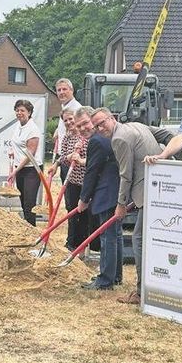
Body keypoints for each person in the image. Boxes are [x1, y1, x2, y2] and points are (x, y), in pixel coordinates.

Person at [91, 107, 173, 305]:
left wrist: (120, 204)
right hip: (164, 186)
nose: (100, 128)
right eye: (96, 126)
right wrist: (170, 160)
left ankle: (142, 291)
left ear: (113, 118)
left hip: (149, 191)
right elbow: (168, 135)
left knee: (138, 239)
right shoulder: (136, 125)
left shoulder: (119, 139)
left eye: (102, 122)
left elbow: (125, 175)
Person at [76, 107, 122, 290]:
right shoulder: (105, 137)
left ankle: (105, 280)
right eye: (79, 126)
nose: (83, 128)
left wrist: (84, 199)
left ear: (93, 122)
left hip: (107, 192)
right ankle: (115, 275)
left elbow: (92, 171)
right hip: (115, 190)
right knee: (115, 235)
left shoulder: (97, 140)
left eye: (86, 123)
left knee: (107, 236)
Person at [53, 108, 89, 250]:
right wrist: (69, 157)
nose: (68, 122)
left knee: (84, 214)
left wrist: (80, 159)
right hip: (72, 181)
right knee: (71, 212)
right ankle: (71, 243)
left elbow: (93, 158)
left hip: (86, 182)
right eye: (65, 120)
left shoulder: (86, 136)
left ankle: (83, 245)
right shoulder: (68, 137)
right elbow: (62, 157)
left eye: (70, 119)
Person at [9, 99, 43, 225]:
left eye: (22, 110)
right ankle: (27, 227)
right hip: (20, 168)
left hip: (31, 170)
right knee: (23, 201)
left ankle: (32, 230)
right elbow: (18, 144)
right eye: (17, 110)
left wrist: (15, 171)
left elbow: (30, 154)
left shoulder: (33, 129)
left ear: (29, 112)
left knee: (29, 202)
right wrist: (13, 151)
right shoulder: (19, 126)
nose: (19, 113)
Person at [52, 78, 82, 180]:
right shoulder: (65, 107)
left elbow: (79, 133)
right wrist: (58, 130)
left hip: (73, 159)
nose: (61, 92)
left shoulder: (77, 109)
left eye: (64, 89)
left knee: (70, 193)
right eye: (59, 90)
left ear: (72, 90)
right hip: (64, 157)